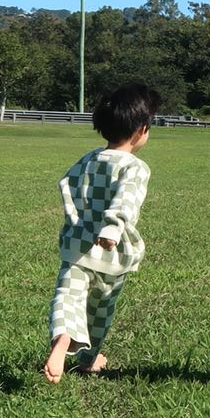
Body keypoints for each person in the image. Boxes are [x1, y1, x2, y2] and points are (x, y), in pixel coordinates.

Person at [43, 81, 160, 383]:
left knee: (68, 297)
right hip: (111, 253)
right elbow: (126, 200)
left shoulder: (89, 159)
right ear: (141, 131)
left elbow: (66, 185)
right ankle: (89, 359)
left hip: (77, 246)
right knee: (100, 311)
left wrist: (75, 218)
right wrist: (111, 228)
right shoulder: (135, 167)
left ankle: (62, 341)